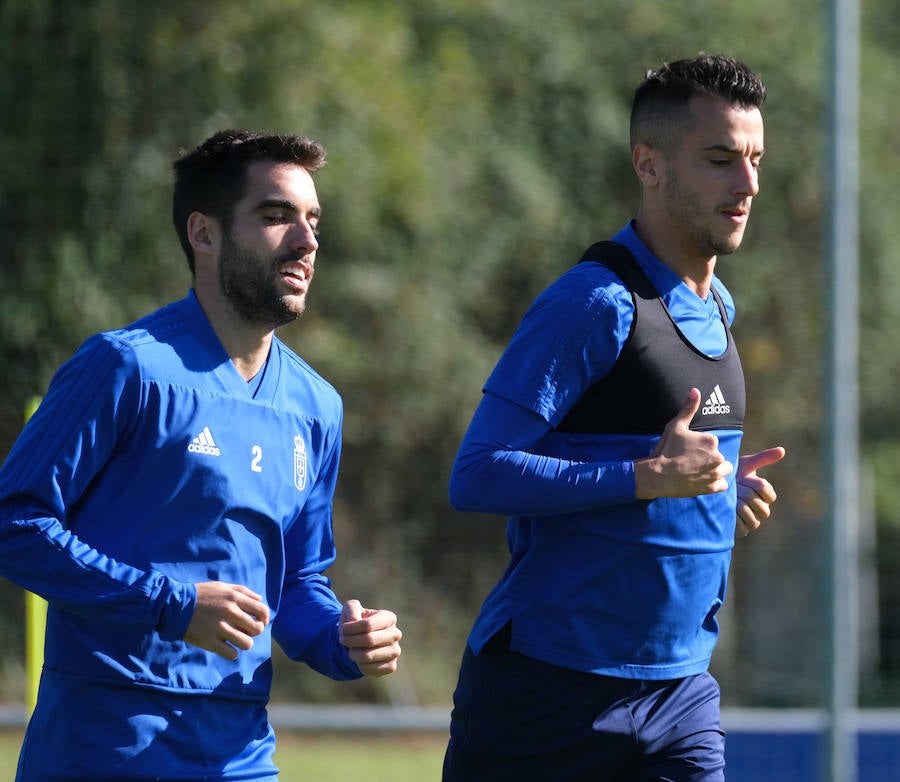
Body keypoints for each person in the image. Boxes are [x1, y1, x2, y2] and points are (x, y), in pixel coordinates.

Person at [0, 129, 402, 781]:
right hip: (105, 749)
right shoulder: (125, 368)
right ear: (204, 233)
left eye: (313, 220)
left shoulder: (316, 407)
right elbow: (14, 523)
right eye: (276, 215)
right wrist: (169, 603)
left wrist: (342, 639)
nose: (306, 241)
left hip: (239, 754)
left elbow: (296, 583)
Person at [442, 54, 786, 781]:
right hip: (548, 691)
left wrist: (720, 496)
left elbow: (672, 478)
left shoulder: (720, 308)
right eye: (720, 160)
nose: (748, 184)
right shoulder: (595, 303)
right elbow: (476, 474)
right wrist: (647, 477)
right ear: (648, 164)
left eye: (754, 160)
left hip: (681, 693)